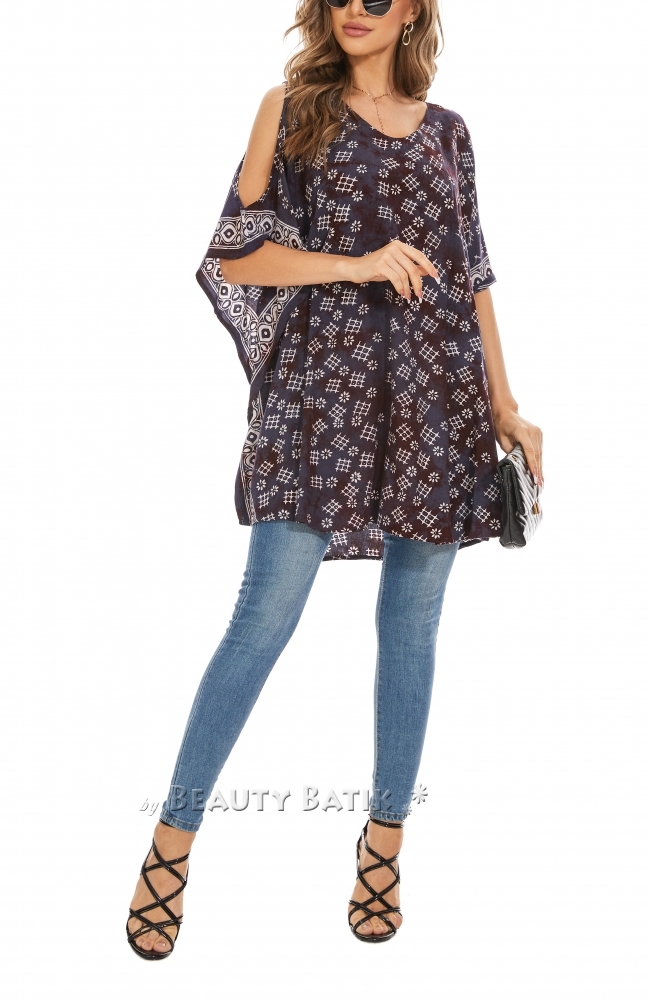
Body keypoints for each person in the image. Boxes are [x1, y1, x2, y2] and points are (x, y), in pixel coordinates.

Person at [126, 0, 543, 958]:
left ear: (415, 9)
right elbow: (238, 255)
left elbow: (474, 278)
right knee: (262, 619)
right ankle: (171, 843)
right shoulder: (291, 107)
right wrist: (354, 263)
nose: (359, 6)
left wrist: (507, 406)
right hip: (321, 398)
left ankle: (382, 847)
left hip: (437, 403)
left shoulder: (451, 132)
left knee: (412, 629)